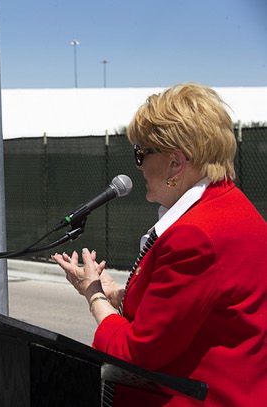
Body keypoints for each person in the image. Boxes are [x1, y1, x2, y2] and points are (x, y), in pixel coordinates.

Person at [52, 83, 267, 406]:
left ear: (176, 164)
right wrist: (116, 294)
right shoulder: (232, 207)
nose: (137, 167)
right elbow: (190, 313)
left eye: (141, 154)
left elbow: (135, 354)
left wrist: (94, 295)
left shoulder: (195, 236)